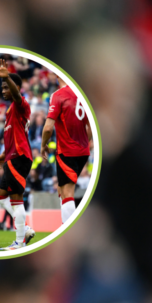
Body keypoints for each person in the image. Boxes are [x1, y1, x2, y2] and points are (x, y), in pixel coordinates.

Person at [0, 60, 36, 251]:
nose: (3, 89)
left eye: (6, 86)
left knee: (16, 199)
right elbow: (16, 134)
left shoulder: (21, 104)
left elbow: (17, 95)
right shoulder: (10, 110)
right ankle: (24, 228)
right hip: (12, 156)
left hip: (20, 156)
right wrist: (4, 153)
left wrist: (7, 77)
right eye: (2, 86)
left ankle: (19, 242)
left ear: (15, 87)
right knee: (1, 197)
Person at [40, 78, 91, 224]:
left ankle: (69, 230)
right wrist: (83, 143)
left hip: (67, 151)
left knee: (67, 193)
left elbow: (48, 128)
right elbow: (90, 126)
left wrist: (43, 145)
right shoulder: (82, 94)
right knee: (62, 190)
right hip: (83, 152)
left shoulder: (59, 95)